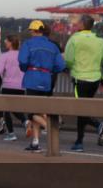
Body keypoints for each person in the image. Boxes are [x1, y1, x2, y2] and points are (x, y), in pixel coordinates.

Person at [63, 15, 103, 152]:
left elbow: (68, 59)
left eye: (78, 22)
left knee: (81, 111)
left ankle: (83, 139)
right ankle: (97, 127)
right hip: (95, 80)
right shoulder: (100, 41)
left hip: (80, 78)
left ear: (81, 25)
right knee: (85, 109)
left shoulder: (74, 38)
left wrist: (71, 67)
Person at [18, 20, 67, 152]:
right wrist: (49, 70)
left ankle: (48, 127)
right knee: (39, 109)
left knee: (31, 112)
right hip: (46, 80)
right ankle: (35, 142)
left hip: (32, 78)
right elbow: (61, 66)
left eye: (30, 31)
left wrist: (26, 69)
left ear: (33, 31)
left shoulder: (28, 44)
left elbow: (22, 61)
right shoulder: (52, 46)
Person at [0, 34, 26, 141]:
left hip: (6, 85)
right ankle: (25, 121)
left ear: (10, 43)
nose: (4, 42)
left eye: (6, 41)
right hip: (21, 86)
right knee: (16, 108)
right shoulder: (22, 55)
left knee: (6, 110)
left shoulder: (3, 55)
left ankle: (11, 133)